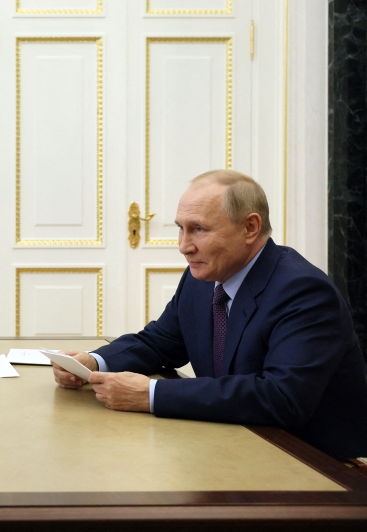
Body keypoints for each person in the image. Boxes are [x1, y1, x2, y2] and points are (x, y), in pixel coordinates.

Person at [52, 170, 367, 462]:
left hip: (314, 468)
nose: (184, 247)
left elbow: (282, 397)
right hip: (233, 447)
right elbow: (159, 342)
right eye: (180, 229)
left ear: (250, 227)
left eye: (198, 229)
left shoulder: (303, 292)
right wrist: (93, 362)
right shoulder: (202, 279)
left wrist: (150, 394)